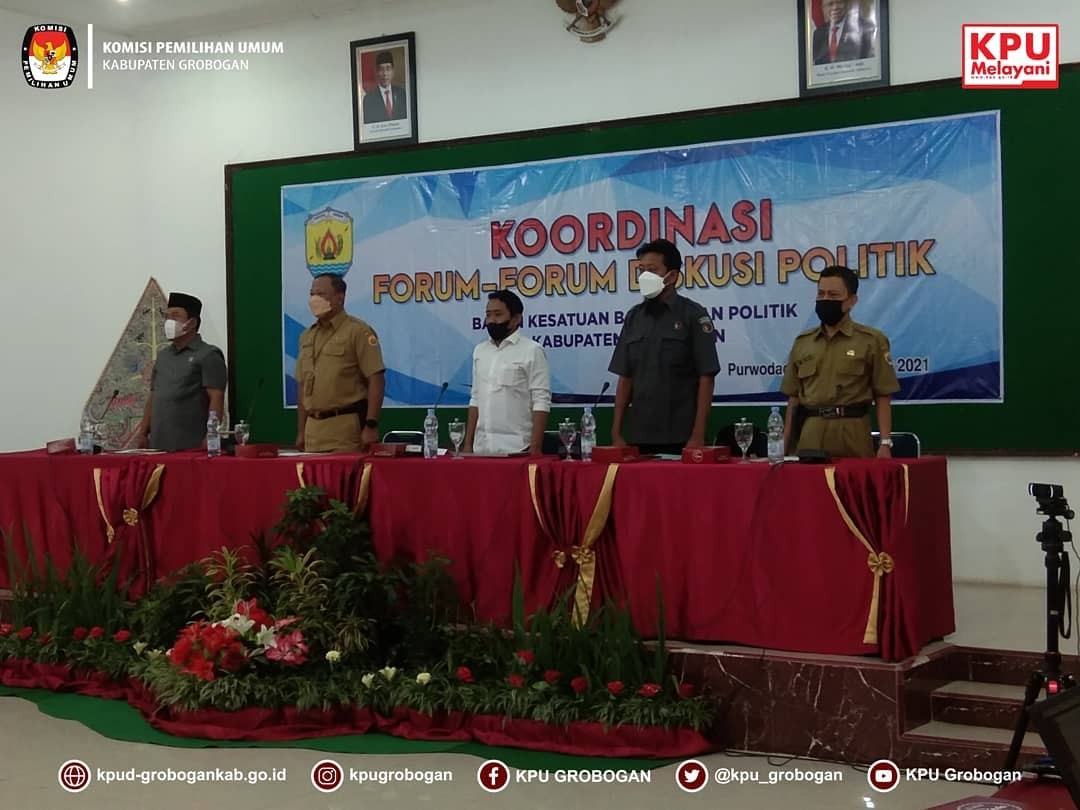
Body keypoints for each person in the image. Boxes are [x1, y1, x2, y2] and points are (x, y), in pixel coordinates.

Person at [608, 239, 720, 454]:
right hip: (638, 435)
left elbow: (706, 377)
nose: (644, 276)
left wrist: (698, 435)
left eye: (652, 270)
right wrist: (616, 432)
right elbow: (625, 378)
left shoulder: (693, 315)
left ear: (672, 275)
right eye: (641, 270)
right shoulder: (634, 317)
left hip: (681, 436)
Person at [780, 266, 900, 459]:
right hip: (811, 432)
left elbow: (883, 395)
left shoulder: (871, 341)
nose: (825, 299)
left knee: (854, 479)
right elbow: (793, 399)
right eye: (821, 294)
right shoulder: (803, 342)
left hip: (852, 431)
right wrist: (783, 449)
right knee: (809, 479)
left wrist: (885, 443)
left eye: (833, 295)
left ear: (852, 300)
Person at [295, 273, 385, 453]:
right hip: (313, 433)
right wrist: (301, 431)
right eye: (312, 294)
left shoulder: (357, 332)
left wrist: (371, 424)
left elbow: (376, 379)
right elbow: (303, 386)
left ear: (340, 298)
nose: (314, 299)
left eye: (321, 294)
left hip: (344, 432)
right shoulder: (307, 336)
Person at [464, 290, 551, 455]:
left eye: (498, 314)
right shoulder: (480, 351)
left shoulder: (532, 350)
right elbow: (475, 398)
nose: (491, 320)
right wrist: (468, 444)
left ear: (516, 318)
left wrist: (535, 447)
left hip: (518, 449)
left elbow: (541, 401)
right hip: (481, 448)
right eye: (488, 315)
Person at [137, 292, 227, 451]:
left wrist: (211, 436)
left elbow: (216, 397)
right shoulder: (163, 356)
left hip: (190, 446)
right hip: (158, 446)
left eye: (175, 316)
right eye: (167, 316)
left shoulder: (208, 354)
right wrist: (143, 432)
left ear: (192, 323)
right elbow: (153, 396)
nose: (169, 321)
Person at [812, 0, 875, 65]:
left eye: (839, 2)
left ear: (846, 5)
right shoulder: (818, 34)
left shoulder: (864, 28)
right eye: (830, 4)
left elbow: (870, 61)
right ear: (823, 8)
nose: (835, 7)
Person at [361, 51, 408, 123]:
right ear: (376, 72)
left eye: (388, 69)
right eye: (381, 69)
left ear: (393, 71)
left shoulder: (402, 94)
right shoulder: (368, 99)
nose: (385, 73)